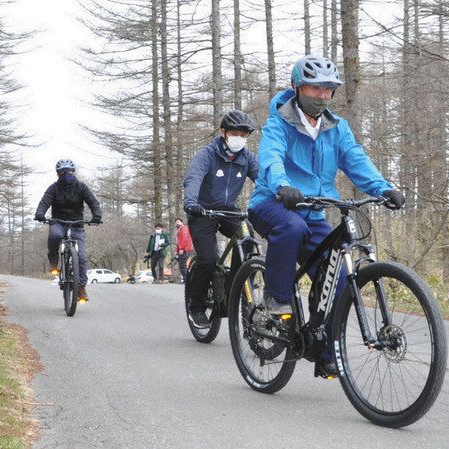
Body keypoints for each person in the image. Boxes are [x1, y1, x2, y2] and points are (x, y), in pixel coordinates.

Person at [247, 55, 405, 377]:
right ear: (297, 87)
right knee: (290, 228)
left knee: (340, 276)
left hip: (314, 209)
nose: (321, 95)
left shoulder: (337, 128)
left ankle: (323, 350)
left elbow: (356, 160)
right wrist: (282, 184)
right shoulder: (279, 120)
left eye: (328, 89)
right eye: (314, 88)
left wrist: (383, 188)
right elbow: (271, 156)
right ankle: (277, 300)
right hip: (273, 202)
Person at [183, 109, 259, 329]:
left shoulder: (247, 158)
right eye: (236, 133)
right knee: (207, 259)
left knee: (248, 240)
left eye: (244, 135)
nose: (240, 139)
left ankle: (235, 286)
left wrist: (277, 197)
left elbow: (263, 180)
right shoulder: (207, 154)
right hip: (202, 211)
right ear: (223, 132)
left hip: (228, 210)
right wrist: (191, 202)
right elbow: (193, 177)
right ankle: (196, 307)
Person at [34, 159, 102, 302]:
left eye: (69, 171)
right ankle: (54, 262)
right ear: (58, 174)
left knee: (81, 258)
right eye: (62, 172)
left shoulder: (81, 187)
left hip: (77, 224)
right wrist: (40, 214)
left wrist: (97, 215)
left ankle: (82, 288)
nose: (66, 174)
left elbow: (93, 201)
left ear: (73, 172)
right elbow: (44, 202)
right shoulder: (53, 188)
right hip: (58, 222)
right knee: (55, 235)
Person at [174, 218, 193, 283]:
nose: (177, 223)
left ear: (182, 222)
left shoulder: (183, 228)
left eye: (178, 222)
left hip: (185, 249)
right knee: (183, 265)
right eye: (176, 222)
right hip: (183, 249)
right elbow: (178, 242)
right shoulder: (179, 229)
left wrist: (182, 248)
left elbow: (185, 239)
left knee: (182, 266)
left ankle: (186, 280)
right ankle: (187, 279)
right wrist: (176, 250)